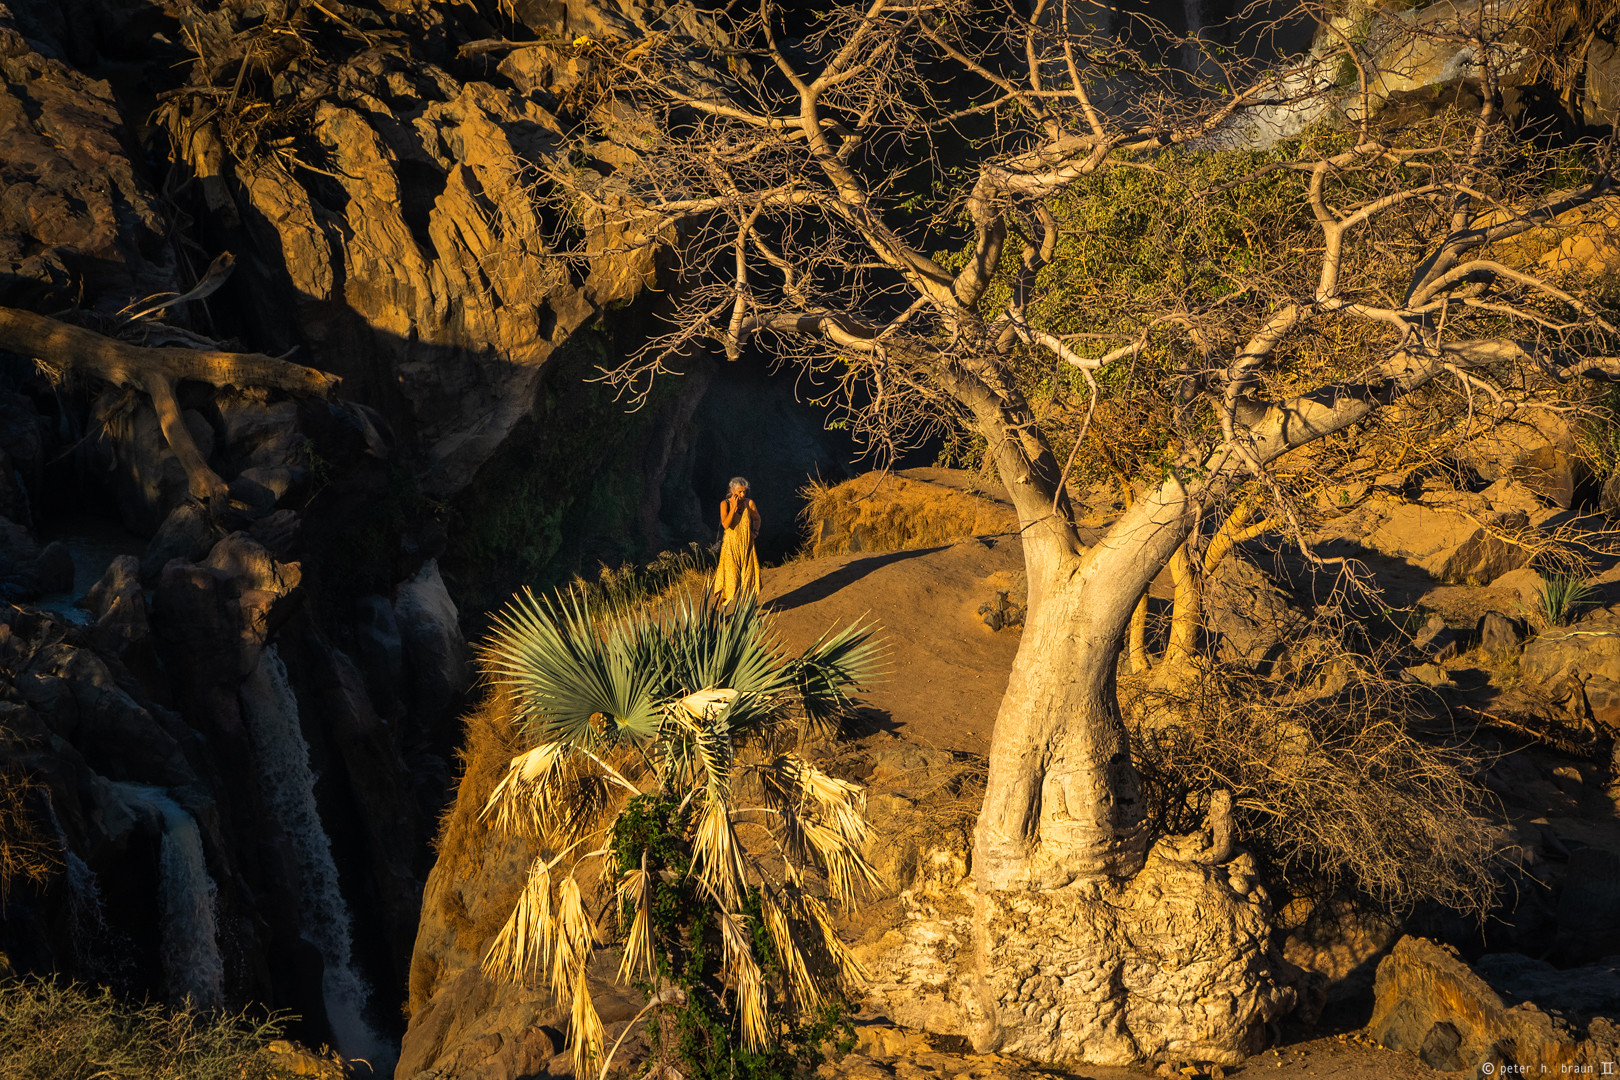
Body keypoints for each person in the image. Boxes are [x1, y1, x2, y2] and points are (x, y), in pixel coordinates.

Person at [712, 476, 761, 605]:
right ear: (732, 491)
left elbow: (757, 518)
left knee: (748, 580)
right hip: (730, 548)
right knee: (730, 582)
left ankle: (745, 611)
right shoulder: (725, 504)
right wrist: (733, 508)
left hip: (747, 546)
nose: (743, 494)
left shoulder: (749, 503)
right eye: (740, 491)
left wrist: (755, 532)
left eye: (744, 491)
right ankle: (716, 610)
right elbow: (726, 524)